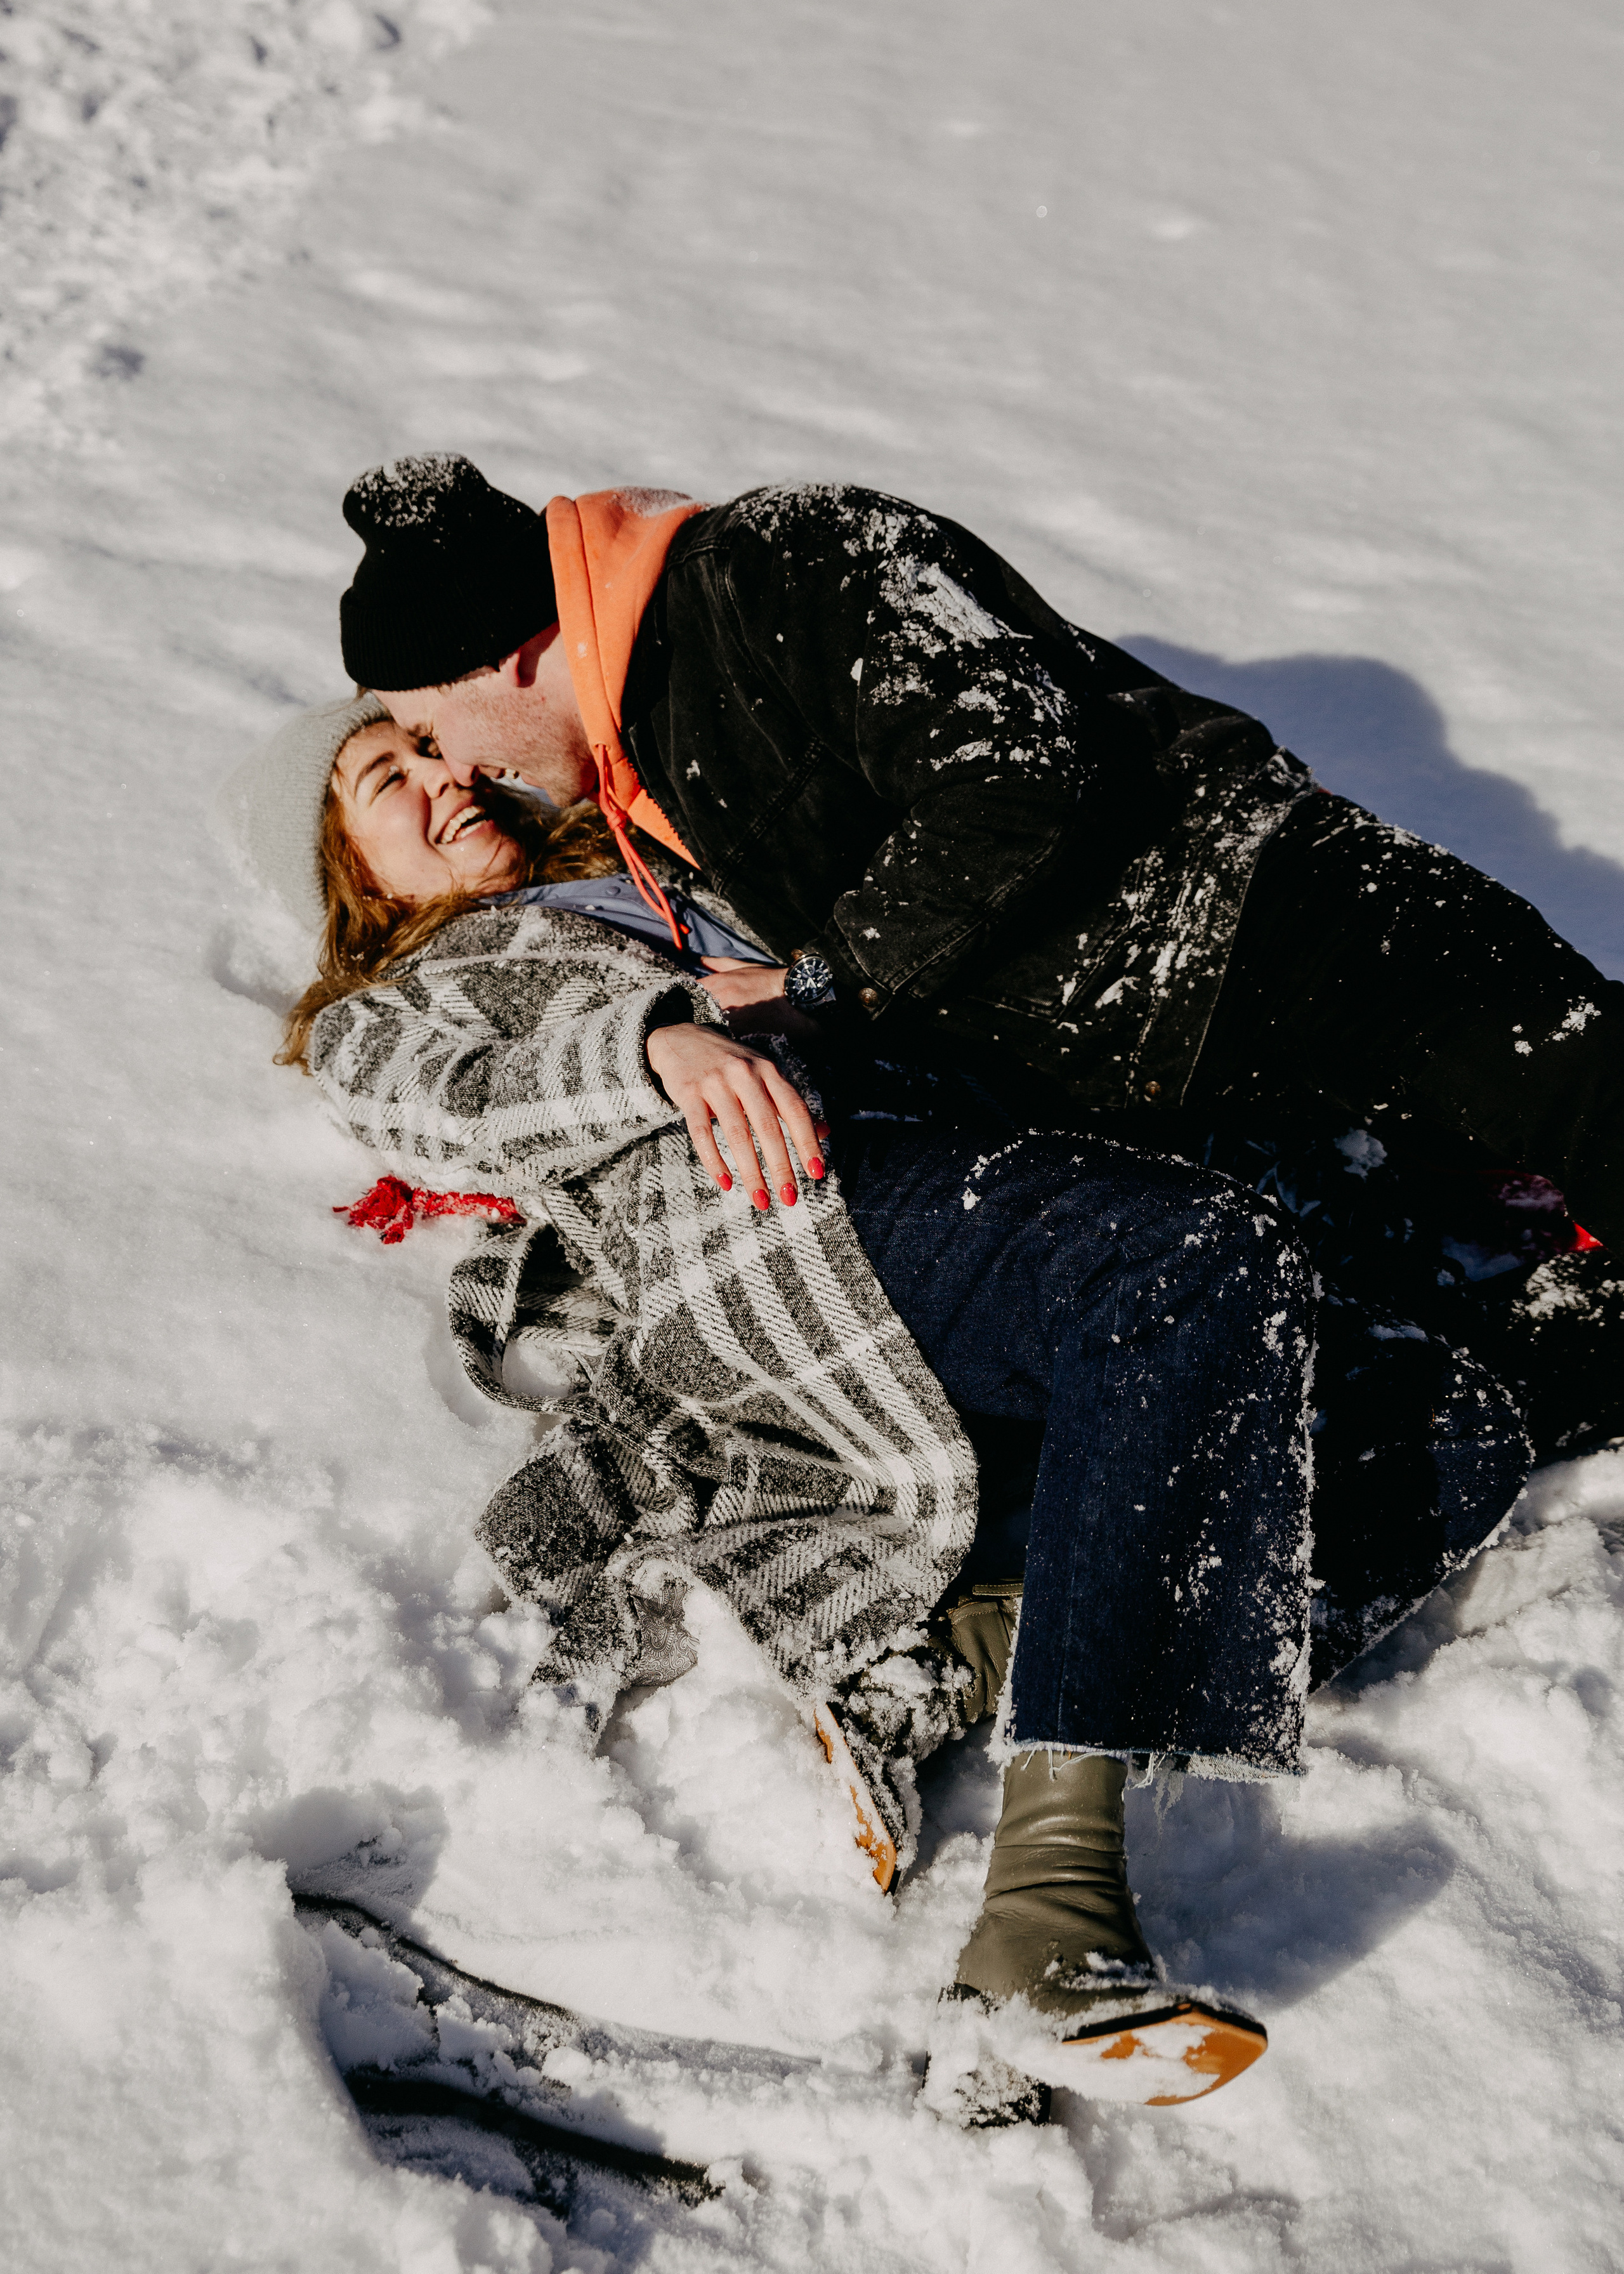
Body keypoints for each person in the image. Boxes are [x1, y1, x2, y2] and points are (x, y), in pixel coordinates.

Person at [224, 692, 1351, 2114]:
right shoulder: (396, 1003)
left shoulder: (640, 866)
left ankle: (1002, 1635)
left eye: (434, 753)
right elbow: (445, 1103)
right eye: (388, 782)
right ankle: (1044, 1913)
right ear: (346, 874)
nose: (444, 784)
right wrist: (653, 1044)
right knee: (1189, 1265)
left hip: (950, 1163)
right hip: (797, 1231)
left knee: (1436, 1428)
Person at [329, 453, 1624, 1474]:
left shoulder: (786, 559)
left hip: (1277, 921)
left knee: (1591, 1093)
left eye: (429, 732)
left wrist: (826, 984)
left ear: (504, 651)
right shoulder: (641, 769)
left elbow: (1010, 774)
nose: (451, 770)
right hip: (1184, 1075)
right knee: (1489, 1329)